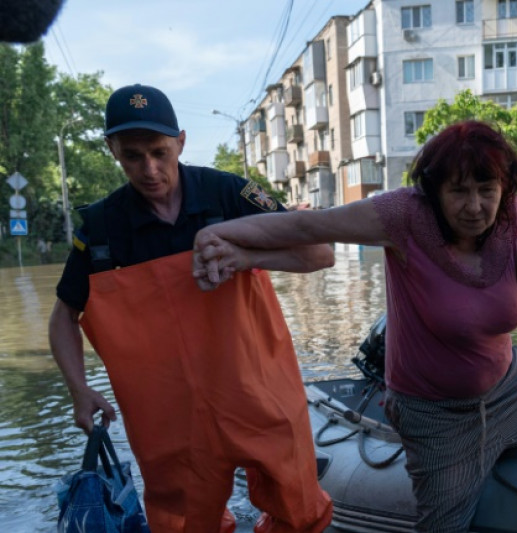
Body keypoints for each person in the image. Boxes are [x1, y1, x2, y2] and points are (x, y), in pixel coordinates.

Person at [193, 120, 517, 533]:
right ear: (434, 191)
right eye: (459, 191)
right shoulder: (402, 215)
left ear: (503, 189)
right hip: (435, 414)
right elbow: (309, 225)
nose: (475, 206)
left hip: (513, 388)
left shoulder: (511, 215)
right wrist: (217, 235)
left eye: (486, 190)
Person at [48, 83, 335, 533]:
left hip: (258, 391)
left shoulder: (230, 195)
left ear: (181, 141)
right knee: (184, 523)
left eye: (160, 152)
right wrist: (78, 390)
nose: (150, 168)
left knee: (298, 506)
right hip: (167, 416)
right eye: (133, 155)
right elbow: (65, 314)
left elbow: (319, 253)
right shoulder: (103, 227)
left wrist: (245, 256)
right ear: (113, 151)